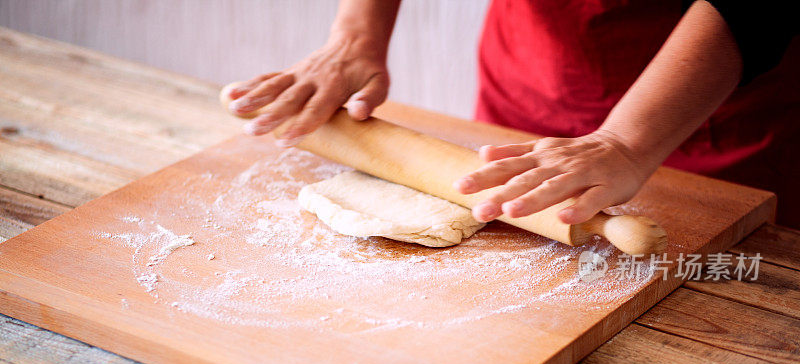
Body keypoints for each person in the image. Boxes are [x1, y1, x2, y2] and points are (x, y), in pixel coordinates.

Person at [225, 1, 798, 228]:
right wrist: (356, 33)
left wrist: (627, 143)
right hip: (529, 75)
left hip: (714, 107)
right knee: (500, 197)